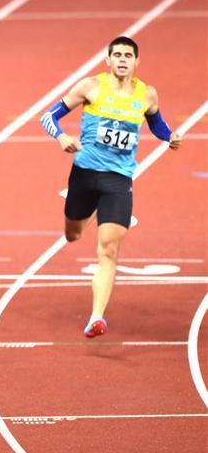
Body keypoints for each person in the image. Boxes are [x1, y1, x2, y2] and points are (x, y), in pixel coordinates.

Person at [40, 36, 182, 338]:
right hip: (84, 174)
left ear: (136, 62)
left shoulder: (147, 94)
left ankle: (96, 317)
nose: (121, 59)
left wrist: (169, 136)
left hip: (118, 180)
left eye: (127, 55)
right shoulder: (90, 87)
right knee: (72, 234)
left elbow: (156, 123)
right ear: (108, 60)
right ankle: (91, 212)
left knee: (108, 250)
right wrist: (61, 137)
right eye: (116, 54)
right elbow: (48, 116)